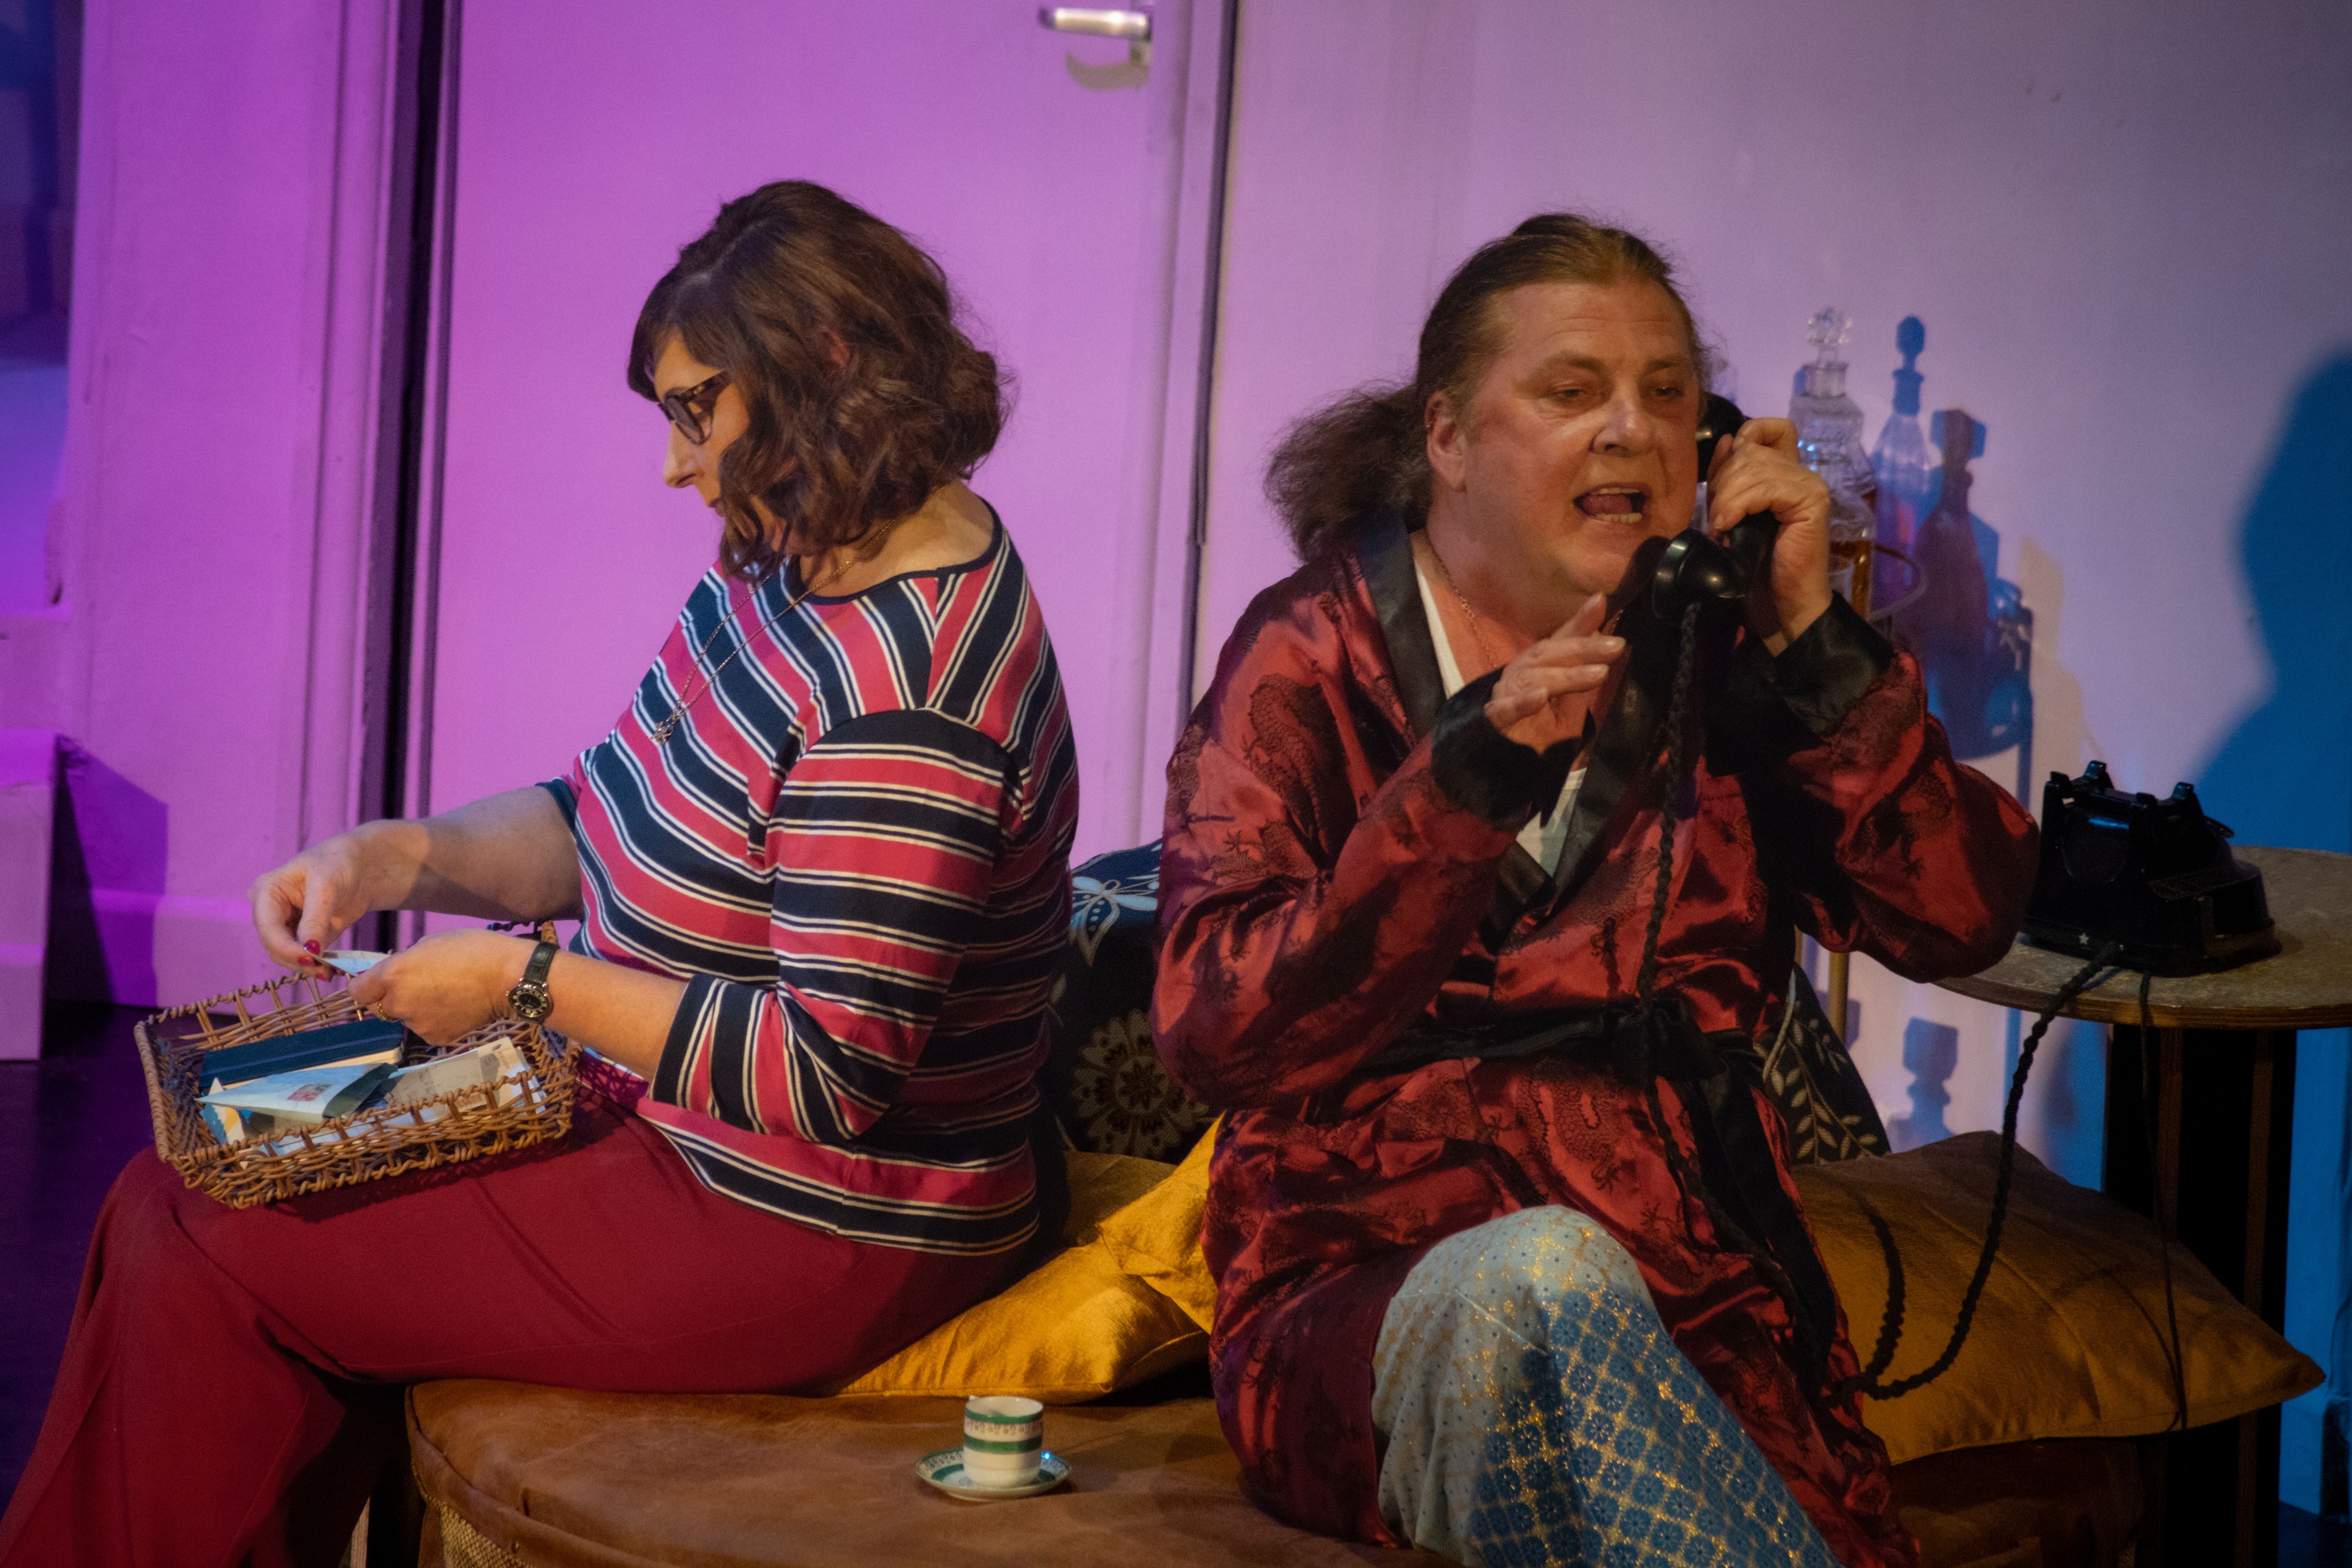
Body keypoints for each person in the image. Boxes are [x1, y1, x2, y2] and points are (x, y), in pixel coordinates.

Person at [0, 180, 1078, 1566]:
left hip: (810, 1216)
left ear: (824, 364)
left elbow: (826, 1074)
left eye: (697, 410)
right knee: (202, 1146)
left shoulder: (908, 695)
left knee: (206, 1233)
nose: (676, 465)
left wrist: (521, 985)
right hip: (646, 1102)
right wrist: (399, 850)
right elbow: (606, 808)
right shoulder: (791, 553)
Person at [1152, 215, 2036, 1568]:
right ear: (1448, 437)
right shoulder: (1312, 652)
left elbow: (1960, 913)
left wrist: (1813, 643)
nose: (1632, 430)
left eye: (1669, 395)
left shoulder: (1724, 651)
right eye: (1574, 392)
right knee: (1542, 1280)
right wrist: (1462, 782)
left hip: (1696, 1287)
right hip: (1378, 1283)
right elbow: (1214, 1029)